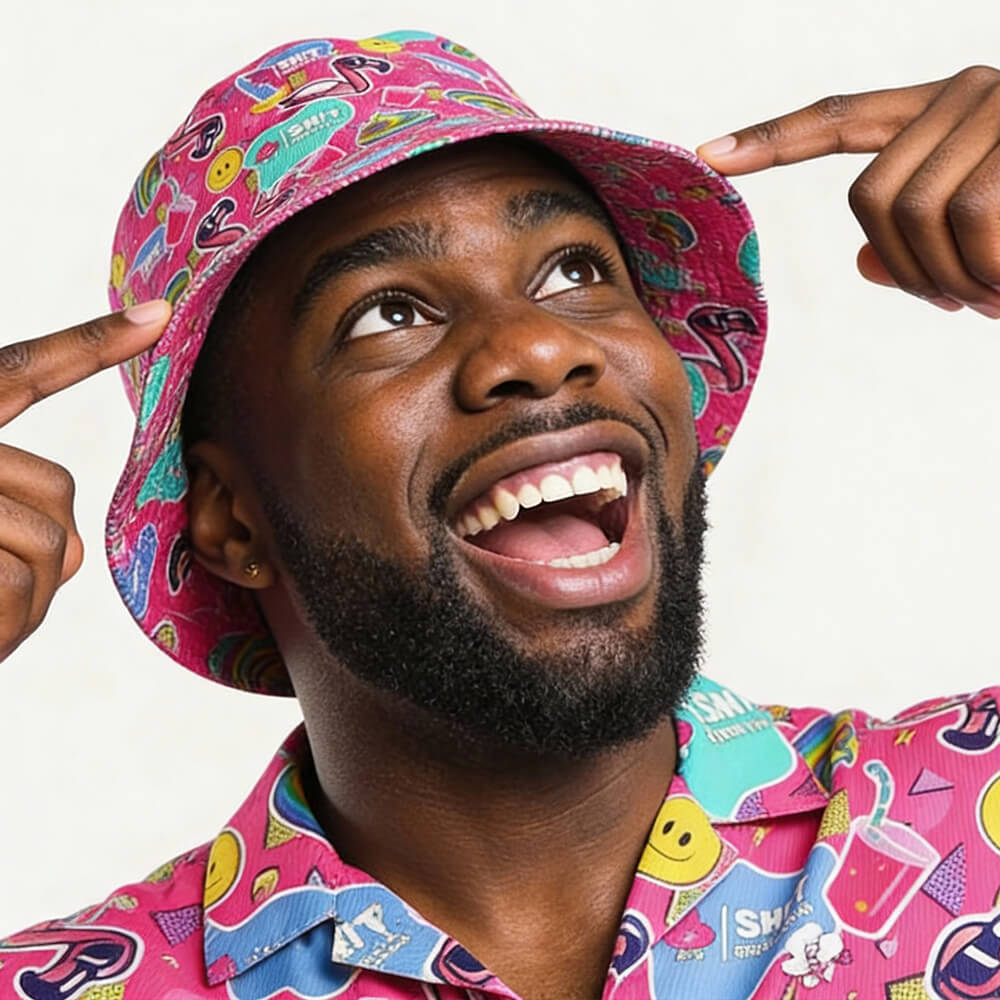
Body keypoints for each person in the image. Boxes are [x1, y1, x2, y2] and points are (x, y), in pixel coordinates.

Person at [1, 30, 999, 1000]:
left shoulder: (968, 820)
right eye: (387, 313)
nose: (535, 345)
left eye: (574, 270)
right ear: (228, 519)